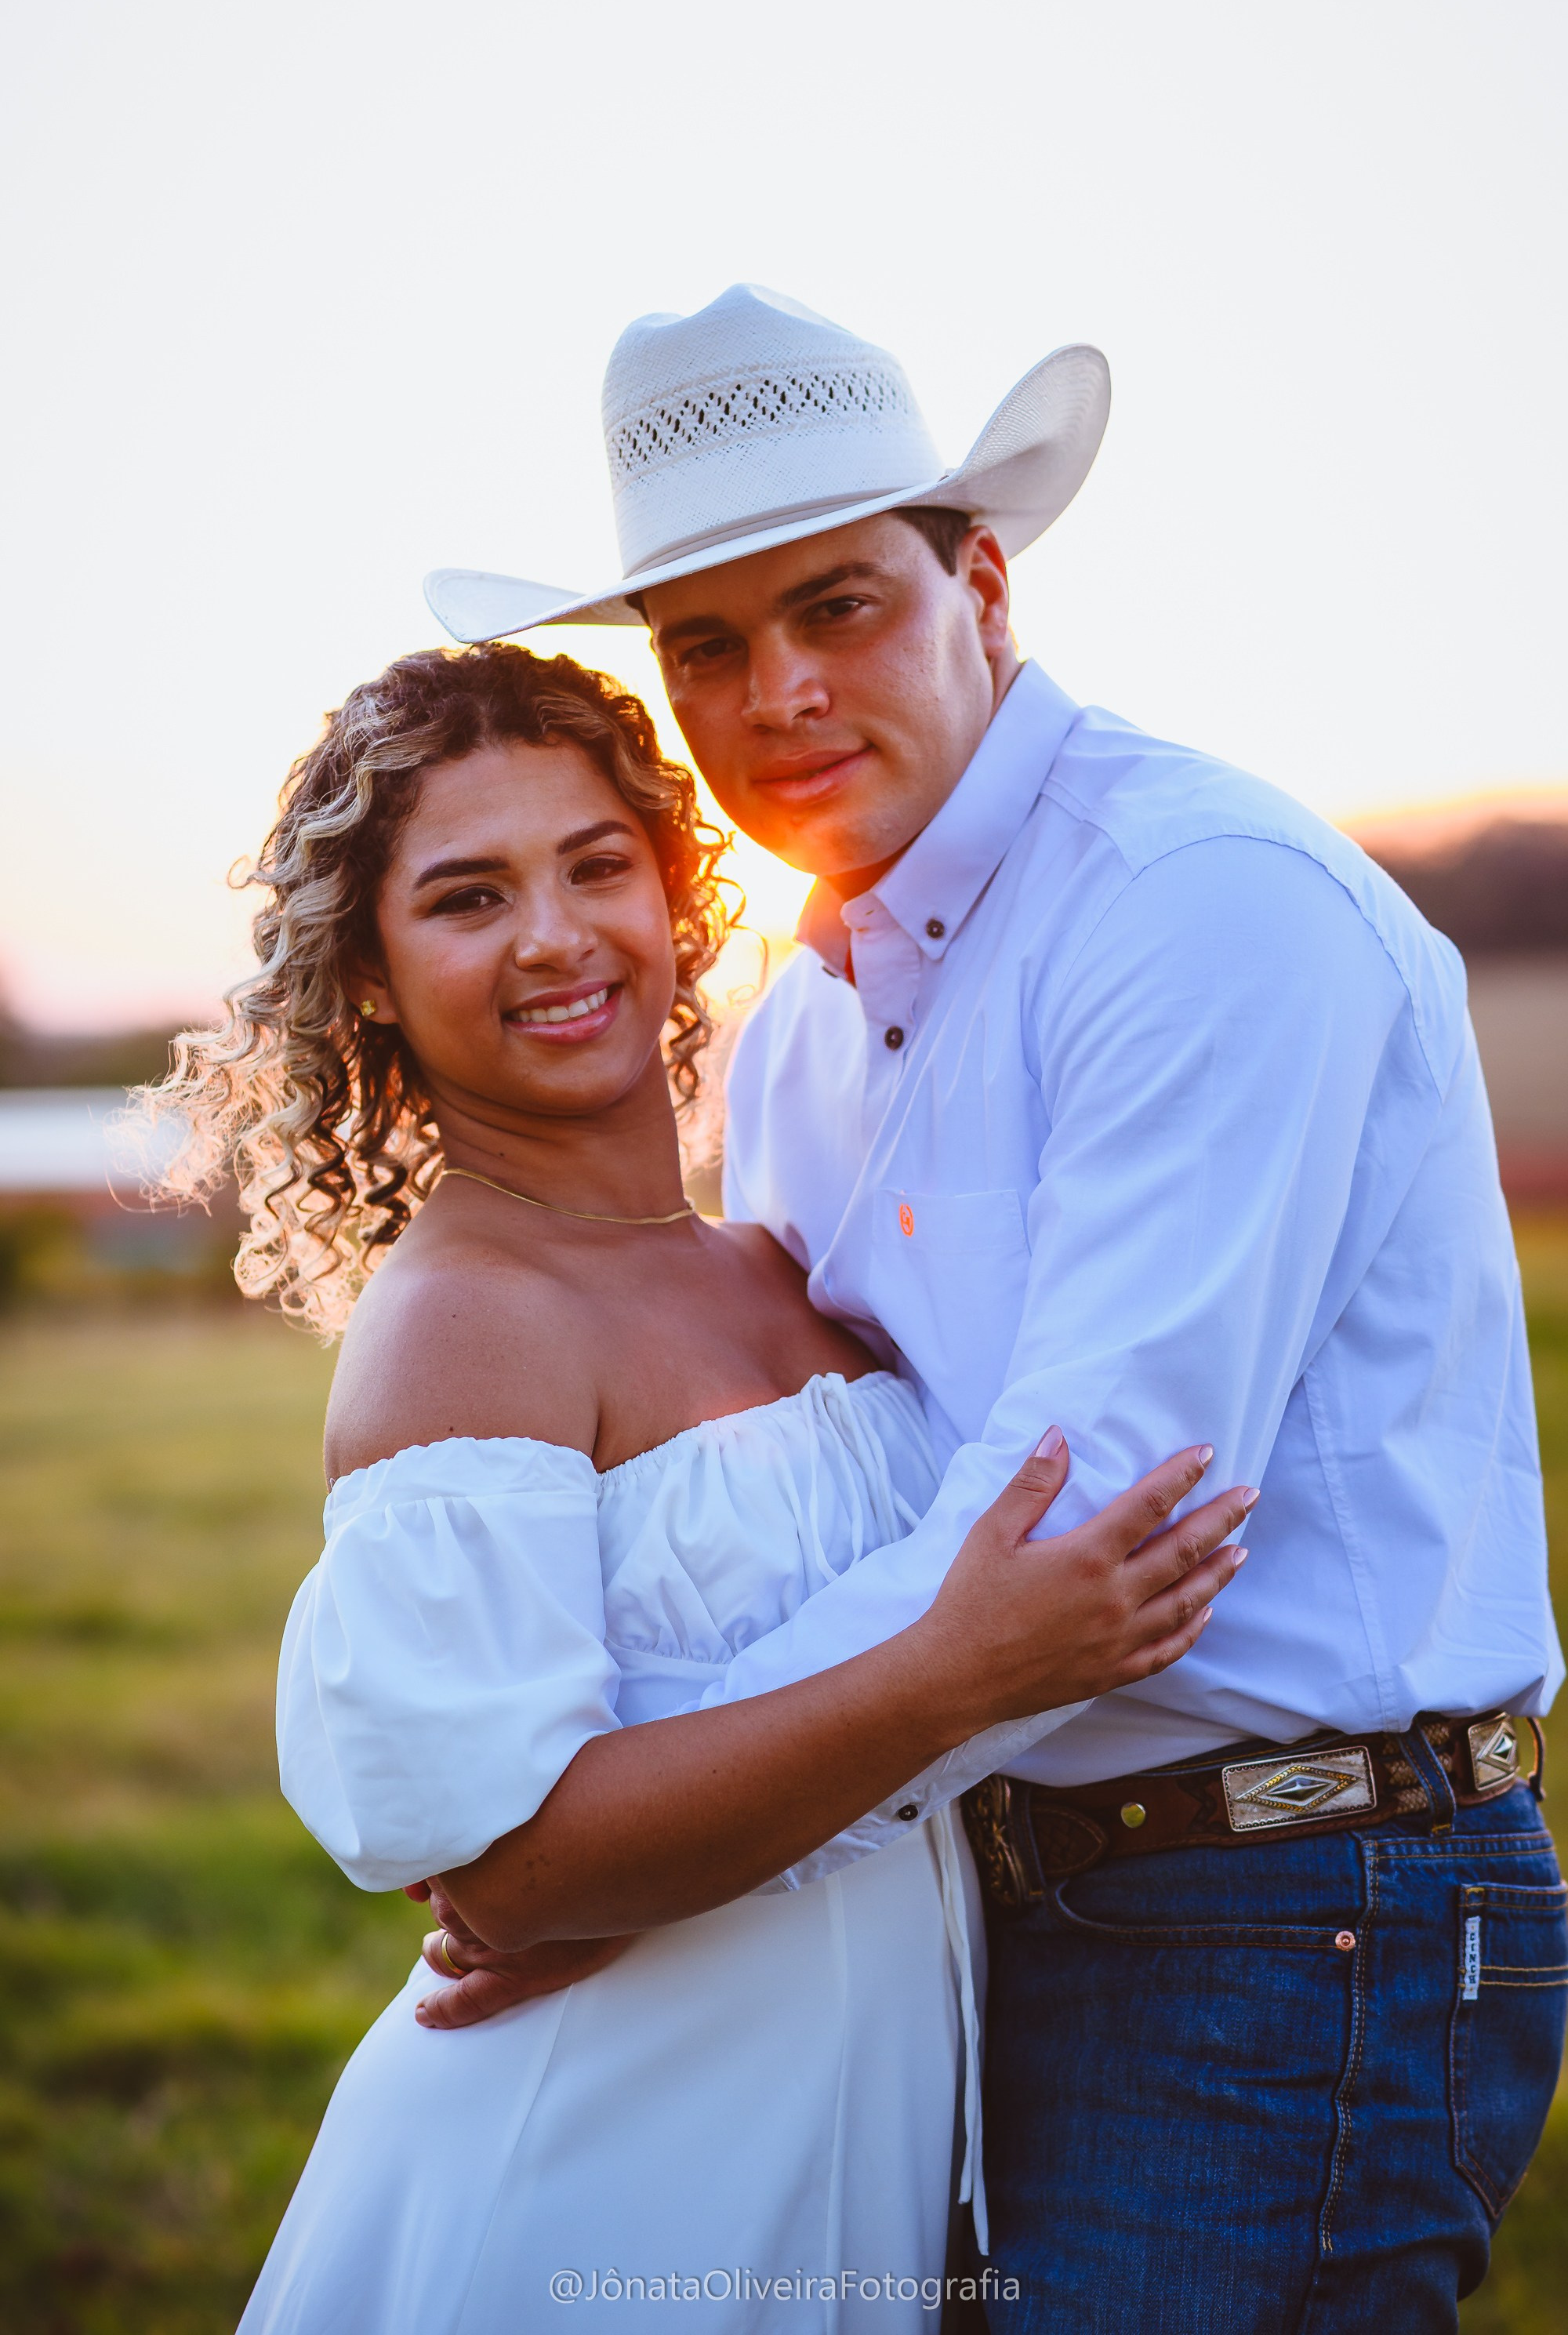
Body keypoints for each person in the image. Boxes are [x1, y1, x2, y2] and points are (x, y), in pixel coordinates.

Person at [423, 284, 1566, 2331]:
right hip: (957, 1892)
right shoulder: (788, 1040)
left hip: (1287, 1905)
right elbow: (844, 1522)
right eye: (707, 644)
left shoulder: (1199, 910)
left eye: (839, 606)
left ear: (981, 579)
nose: (776, 690)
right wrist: (622, 1819)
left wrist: (619, 1830)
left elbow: (1081, 1539)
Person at [145, 642, 1249, 2333]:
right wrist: (958, 1669)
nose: (554, 937)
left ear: (677, 897)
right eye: (466, 897)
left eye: (597, 866)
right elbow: (510, 1873)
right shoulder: (463, 1325)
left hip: (845, 2146)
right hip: (604, 2165)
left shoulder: (777, 1264)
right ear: (366, 976)